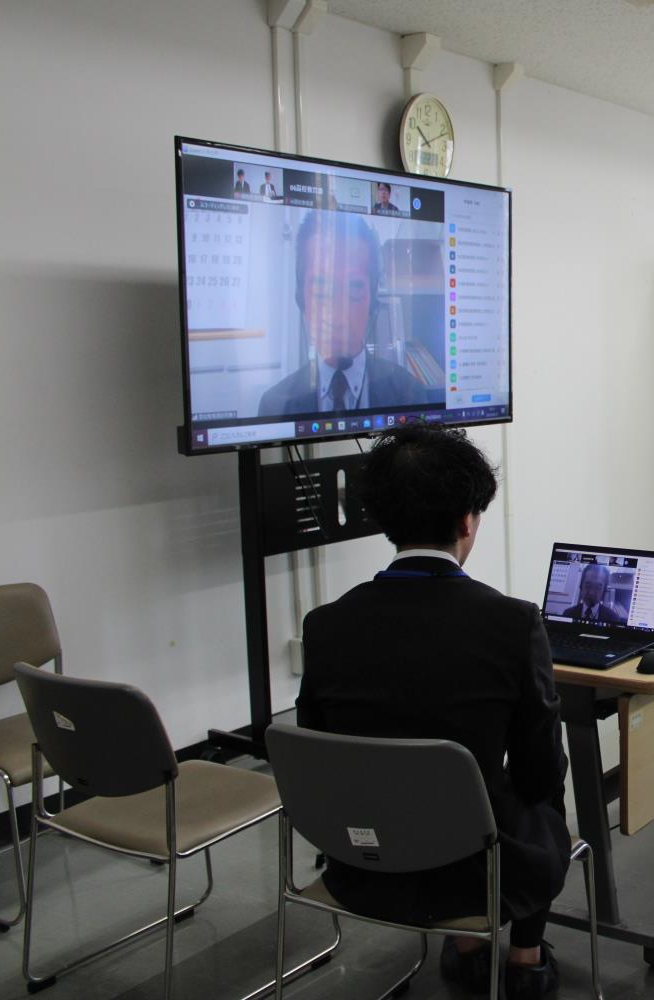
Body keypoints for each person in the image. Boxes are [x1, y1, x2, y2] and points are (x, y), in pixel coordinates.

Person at [296, 425, 568, 998]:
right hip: (477, 873)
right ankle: (525, 959)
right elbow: (540, 771)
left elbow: (317, 752)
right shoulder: (512, 625)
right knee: (541, 788)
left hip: (361, 861)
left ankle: (467, 951)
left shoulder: (326, 626)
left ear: (386, 520)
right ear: (468, 521)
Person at [258, 211, 429, 417]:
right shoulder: (274, 406)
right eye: (321, 289)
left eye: (354, 288)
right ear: (300, 298)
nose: (338, 317)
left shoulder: (410, 395)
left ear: (373, 303)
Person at [559, 563, 626, 624]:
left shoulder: (613, 619)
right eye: (588, 585)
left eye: (598, 587)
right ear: (581, 586)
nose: (591, 593)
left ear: (604, 591)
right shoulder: (567, 614)